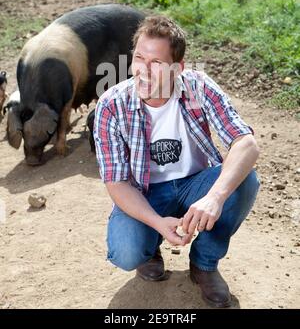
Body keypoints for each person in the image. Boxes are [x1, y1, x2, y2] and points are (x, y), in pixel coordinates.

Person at [94, 16, 260, 308]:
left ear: (177, 68)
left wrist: (215, 197)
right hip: (145, 193)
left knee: (246, 178)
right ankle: (148, 250)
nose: (143, 71)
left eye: (156, 63)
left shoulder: (199, 87)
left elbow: (246, 143)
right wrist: (158, 223)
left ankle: (204, 264)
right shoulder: (111, 104)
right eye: (139, 59)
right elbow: (117, 183)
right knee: (126, 252)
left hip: (197, 186)